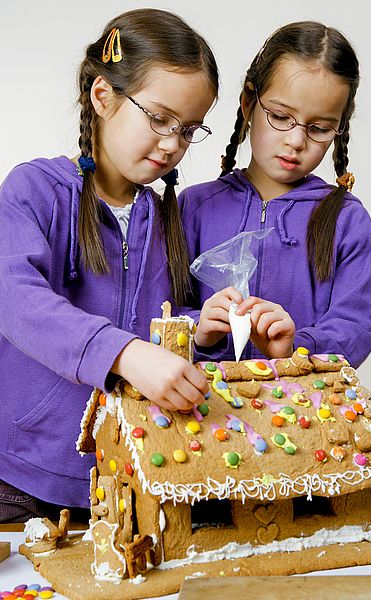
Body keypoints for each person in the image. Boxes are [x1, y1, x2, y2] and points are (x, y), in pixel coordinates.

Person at [0, 8, 216, 522]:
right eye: (160, 119)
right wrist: (123, 354)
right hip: (20, 475)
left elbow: (154, 325)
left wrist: (198, 330)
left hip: (132, 477)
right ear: (103, 96)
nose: (172, 144)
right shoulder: (34, 191)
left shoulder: (170, 219)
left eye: (188, 130)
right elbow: (13, 296)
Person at [179, 21, 371, 368]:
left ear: (339, 128)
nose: (296, 141)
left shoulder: (348, 221)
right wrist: (198, 330)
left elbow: (356, 327)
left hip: (301, 414)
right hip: (201, 412)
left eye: (319, 128)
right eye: (281, 116)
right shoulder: (193, 207)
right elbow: (159, 307)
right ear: (248, 104)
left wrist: (295, 347)